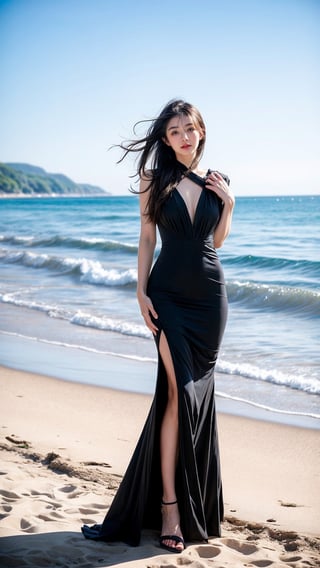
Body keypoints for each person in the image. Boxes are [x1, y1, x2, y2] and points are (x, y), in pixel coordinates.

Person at [82, 99, 235, 553]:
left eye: (191, 128)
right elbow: (148, 237)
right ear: (165, 140)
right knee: (178, 392)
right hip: (167, 298)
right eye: (175, 131)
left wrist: (229, 204)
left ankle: (191, 504)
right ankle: (170, 507)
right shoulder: (154, 180)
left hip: (210, 301)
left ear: (201, 132)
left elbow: (217, 241)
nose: (185, 136)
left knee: (187, 394)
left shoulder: (218, 181)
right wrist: (140, 291)